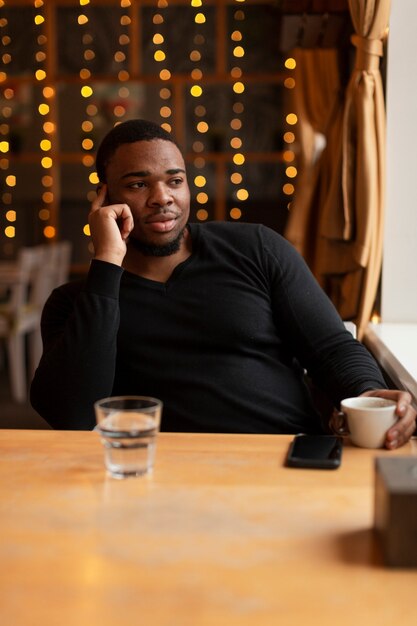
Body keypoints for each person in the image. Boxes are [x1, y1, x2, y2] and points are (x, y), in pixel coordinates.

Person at [30, 119, 416, 448]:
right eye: (137, 185)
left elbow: (331, 347)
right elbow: (72, 415)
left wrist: (368, 392)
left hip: (285, 458)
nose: (162, 198)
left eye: (175, 180)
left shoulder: (256, 248)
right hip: (166, 479)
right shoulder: (77, 302)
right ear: (105, 197)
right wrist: (108, 261)